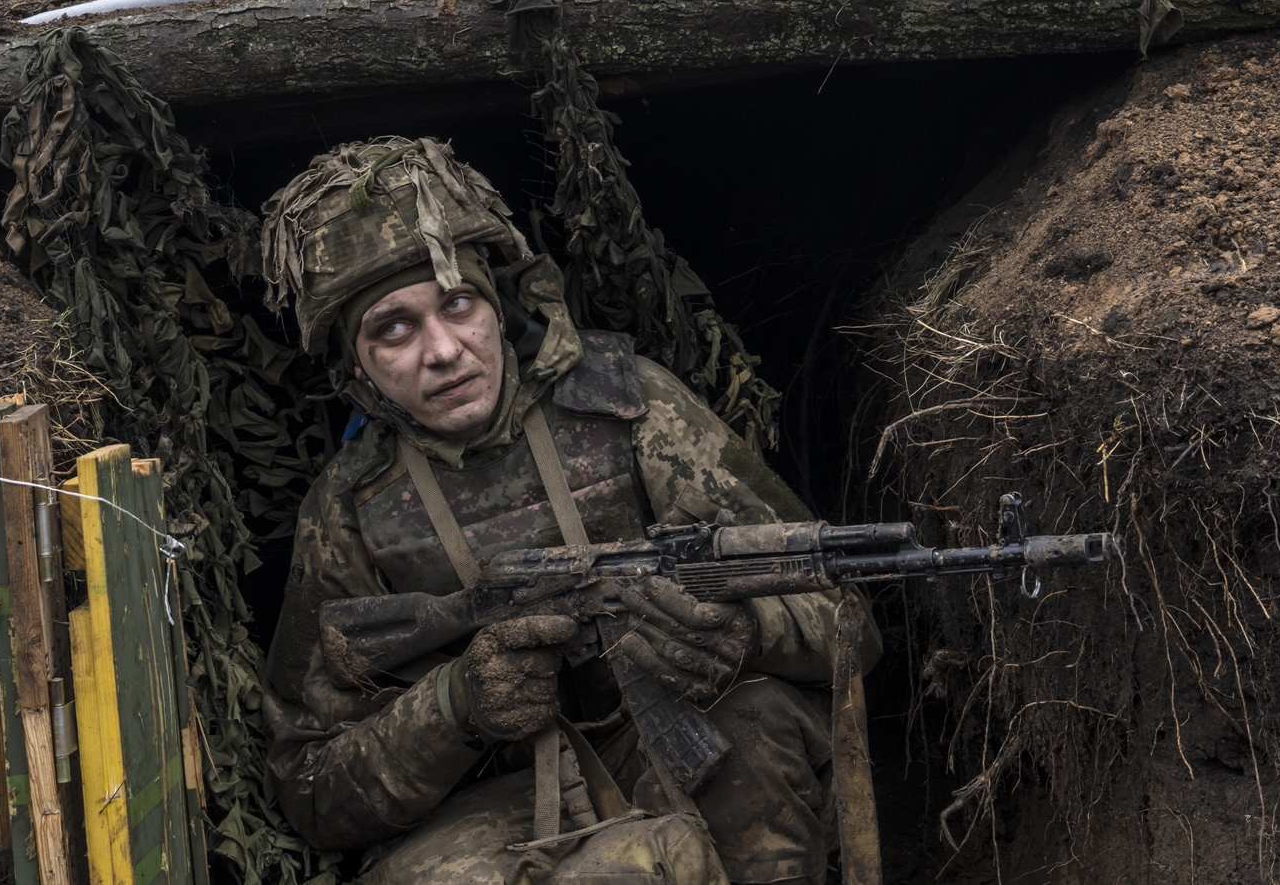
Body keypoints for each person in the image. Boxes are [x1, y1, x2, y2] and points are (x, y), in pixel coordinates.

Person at [258, 137, 877, 885]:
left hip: (678, 742)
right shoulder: (350, 510)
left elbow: (845, 615)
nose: (444, 350)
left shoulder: (632, 407)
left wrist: (749, 633)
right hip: (493, 801)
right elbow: (313, 789)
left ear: (501, 304)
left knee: (757, 725)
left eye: (458, 304)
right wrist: (458, 707)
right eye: (394, 329)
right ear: (357, 366)